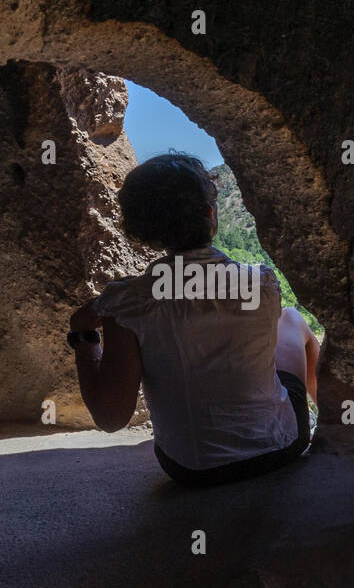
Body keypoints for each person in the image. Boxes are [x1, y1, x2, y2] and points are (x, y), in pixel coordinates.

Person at [67, 153, 320, 487]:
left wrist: (84, 341)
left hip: (191, 468)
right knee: (290, 319)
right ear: (210, 215)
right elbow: (200, 289)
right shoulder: (262, 282)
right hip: (282, 446)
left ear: (140, 229)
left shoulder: (128, 304)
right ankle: (329, 418)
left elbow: (111, 418)